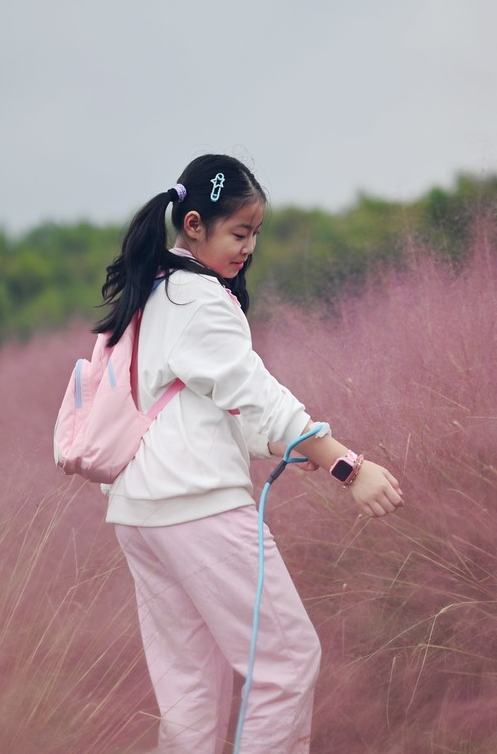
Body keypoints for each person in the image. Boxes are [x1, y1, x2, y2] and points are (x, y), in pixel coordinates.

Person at [94, 153, 404, 754]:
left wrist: (302, 450)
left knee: (190, 688)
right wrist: (346, 464)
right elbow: (256, 395)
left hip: (141, 514)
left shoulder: (153, 294)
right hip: (196, 508)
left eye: (255, 233)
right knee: (286, 664)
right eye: (239, 232)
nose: (249, 247)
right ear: (192, 225)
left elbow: (216, 410)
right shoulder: (197, 299)